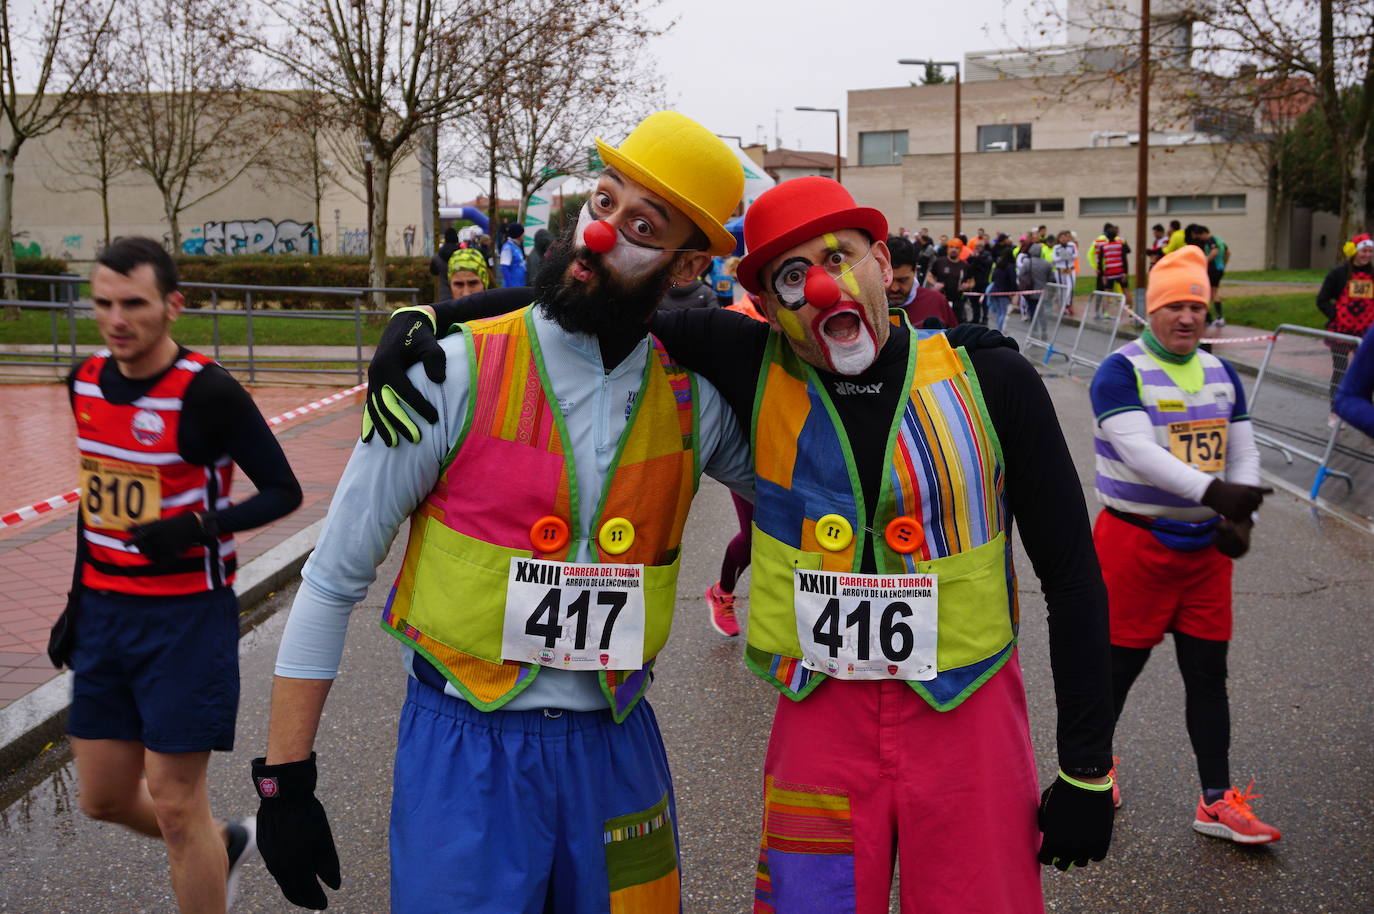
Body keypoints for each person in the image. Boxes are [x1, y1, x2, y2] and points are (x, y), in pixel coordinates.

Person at [368, 177, 1118, 913]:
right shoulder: (753, 360)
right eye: (793, 277)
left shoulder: (991, 379)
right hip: (820, 717)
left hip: (970, 717)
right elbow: (600, 305)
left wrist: (1086, 766)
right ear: (767, 309)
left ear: (884, 265)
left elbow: (1074, 578)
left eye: (839, 257)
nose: (822, 288)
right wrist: (431, 315)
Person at [253, 111, 753, 913]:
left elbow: (829, 485)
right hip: (465, 754)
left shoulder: (696, 403)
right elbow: (332, 577)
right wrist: (285, 780)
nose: (597, 235)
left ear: (689, 263)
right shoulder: (446, 374)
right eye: (602, 201)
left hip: (619, 754)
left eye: (641, 225)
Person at [58, 237, 302, 912]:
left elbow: (283, 491)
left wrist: (197, 527)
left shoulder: (207, 391)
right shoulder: (82, 382)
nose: (116, 320)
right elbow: (93, 501)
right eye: (103, 304)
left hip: (185, 619)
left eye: (133, 304)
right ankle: (221, 841)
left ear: (172, 305)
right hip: (105, 615)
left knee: (173, 803)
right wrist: (76, 601)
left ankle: (201, 849)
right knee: (102, 796)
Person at [1089, 245, 1279, 844]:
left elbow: (1243, 446)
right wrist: (1216, 492)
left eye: (1196, 305)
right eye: (1174, 305)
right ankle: (1092, 772)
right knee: (1116, 673)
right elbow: (1139, 453)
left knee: (1208, 676)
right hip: (1134, 546)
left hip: (1203, 554)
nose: (1187, 317)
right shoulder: (1119, 371)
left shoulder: (1222, 373)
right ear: (1152, 310)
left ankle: (1216, 800)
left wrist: (1238, 512)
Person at [1316, 233, 1374, 400]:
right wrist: (1336, 316)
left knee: (1366, 371)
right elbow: (1322, 300)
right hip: (1341, 331)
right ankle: (1335, 410)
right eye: (1364, 251)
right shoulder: (1338, 274)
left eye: (1370, 251)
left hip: (1366, 333)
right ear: (1354, 251)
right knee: (1340, 369)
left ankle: (1364, 407)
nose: (1367, 255)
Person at [886, 235, 958, 327]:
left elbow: (955, 340)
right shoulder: (866, 307)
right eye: (887, 280)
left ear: (915, 271)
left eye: (902, 280)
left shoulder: (936, 302)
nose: (895, 288)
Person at [1333, 327, 1374, 438]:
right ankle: (1333, 416)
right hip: (1343, 331)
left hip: (1360, 330)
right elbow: (1348, 396)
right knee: (1339, 369)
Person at [926, 237, 972, 323]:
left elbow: (972, 281)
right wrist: (935, 284)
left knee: (957, 324)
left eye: (957, 248)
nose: (954, 250)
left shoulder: (965, 265)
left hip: (957, 300)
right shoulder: (939, 262)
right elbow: (929, 276)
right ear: (948, 249)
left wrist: (967, 285)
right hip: (941, 298)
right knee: (941, 323)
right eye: (951, 247)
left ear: (961, 250)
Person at [499, 222, 527, 288]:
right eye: (523, 233)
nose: (524, 235)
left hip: (520, 285)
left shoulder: (516, 246)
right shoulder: (507, 248)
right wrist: (510, 286)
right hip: (513, 288)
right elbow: (504, 267)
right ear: (518, 234)